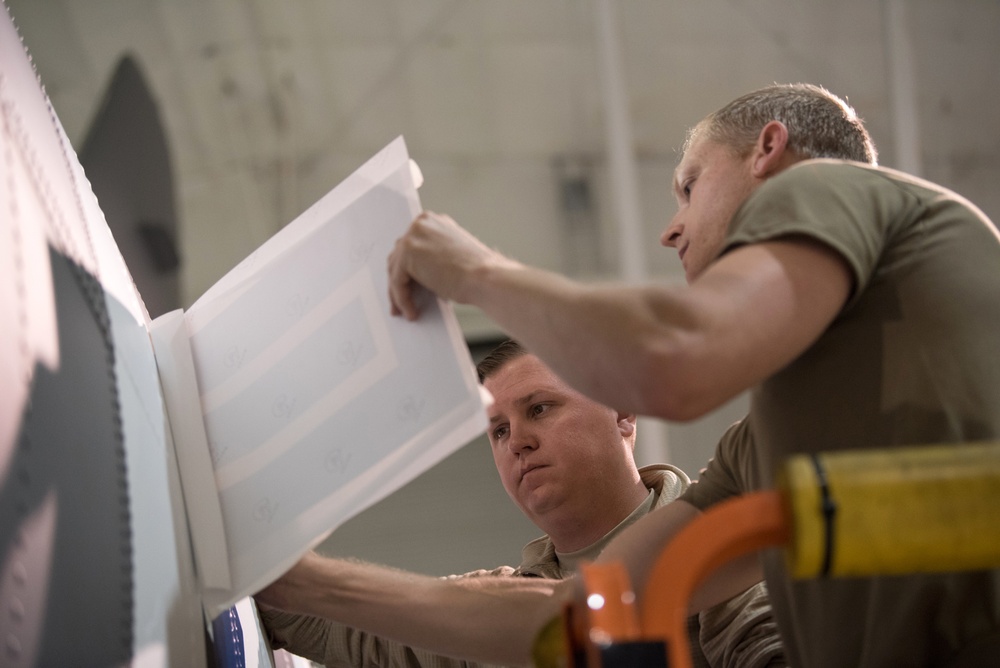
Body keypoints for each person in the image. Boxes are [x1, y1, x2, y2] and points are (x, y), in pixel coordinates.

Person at [376, 82, 1000, 666]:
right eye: (498, 429)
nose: (671, 229)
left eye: (690, 186)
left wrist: (475, 272)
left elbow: (674, 360)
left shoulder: (818, 186)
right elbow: (582, 610)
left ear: (769, 151)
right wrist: (305, 583)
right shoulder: (765, 451)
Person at [259, 339, 786, 667]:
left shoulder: (716, 546)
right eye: (498, 430)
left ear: (623, 413)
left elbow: (774, 646)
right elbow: (338, 626)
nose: (518, 441)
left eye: (540, 408)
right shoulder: (494, 605)